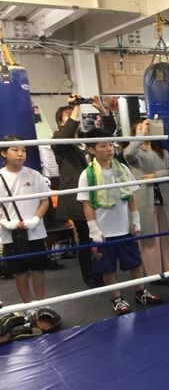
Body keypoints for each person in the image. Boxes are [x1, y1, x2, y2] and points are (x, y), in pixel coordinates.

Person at [77, 128, 161, 315]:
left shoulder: (122, 169)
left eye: (110, 144)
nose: (109, 148)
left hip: (124, 227)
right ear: (92, 149)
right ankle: (116, 299)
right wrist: (93, 229)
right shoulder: (87, 175)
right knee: (108, 268)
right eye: (103, 146)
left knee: (135, 263)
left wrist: (136, 219)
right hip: (103, 231)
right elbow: (86, 204)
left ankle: (140, 292)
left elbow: (131, 196)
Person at [52, 94, 116, 288]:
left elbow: (109, 131)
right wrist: (76, 106)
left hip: (98, 193)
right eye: (68, 115)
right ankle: (91, 275)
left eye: (74, 113)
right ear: (60, 122)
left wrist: (101, 109)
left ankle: (105, 270)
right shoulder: (58, 140)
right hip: (78, 198)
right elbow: (66, 135)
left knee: (103, 234)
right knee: (86, 238)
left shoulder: (86, 140)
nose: (74, 116)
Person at [123, 120, 169, 282]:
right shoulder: (135, 154)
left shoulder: (163, 152)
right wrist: (140, 135)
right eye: (140, 128)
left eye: (147, 127)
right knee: (149, 238)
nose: (145, 130)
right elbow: (128, 154)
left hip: (164, 199)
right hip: (145, 200)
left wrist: (156, 175)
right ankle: (155, 273)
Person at [0, 136, 50, 314]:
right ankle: (27, 306)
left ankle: (41, 304)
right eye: (15, 150)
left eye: (23, 150)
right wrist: (6, 223)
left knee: (38, 269)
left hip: (35, 231)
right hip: (11, 235)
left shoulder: (34, 174)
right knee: (20, 271)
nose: (20, 154)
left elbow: (45, 201)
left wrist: (35, 220)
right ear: (3, 152)